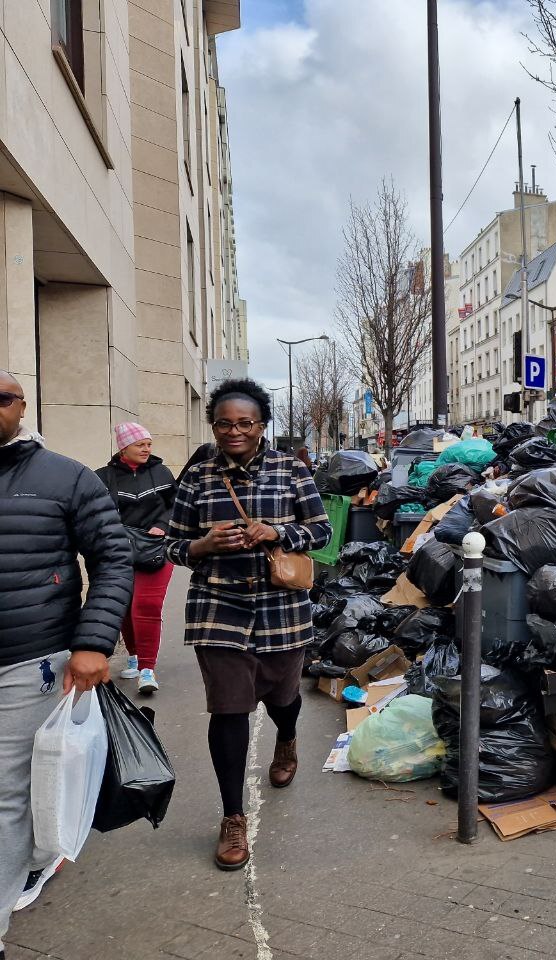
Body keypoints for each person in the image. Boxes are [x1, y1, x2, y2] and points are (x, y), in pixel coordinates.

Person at [165, 378, 331, 871]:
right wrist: (203, 546)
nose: (234, 431)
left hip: (282, 607)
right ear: (213, 426)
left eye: (245, 423)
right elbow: (171, 545)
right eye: (224, 423)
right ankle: (232, 816)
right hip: (218, 606)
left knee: (284, 698)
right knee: (229, 709)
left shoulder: (290, 469)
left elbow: (322, 531)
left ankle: (287, 737)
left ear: (261, 425)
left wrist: (278, 531)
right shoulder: (197, 477)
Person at [0, 370, 133, 955]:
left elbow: (113, 558)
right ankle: (33, 856)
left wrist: (94, 643)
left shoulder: (65, 477)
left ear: (21, 406)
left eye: (1, 398)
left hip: (29, 662)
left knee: (5, 794)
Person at [96, 423, 177, 694]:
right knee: (125, 607)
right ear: (123, 447)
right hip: (119, 551)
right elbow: (96, 512)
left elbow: (176, 505)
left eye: (149, 444)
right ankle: (133, 655)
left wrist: (162, 525)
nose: (146, 449)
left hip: (156, 549)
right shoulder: (103, 477)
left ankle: (147, 669)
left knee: (147, 605)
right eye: (140, 444)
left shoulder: (162, 472)